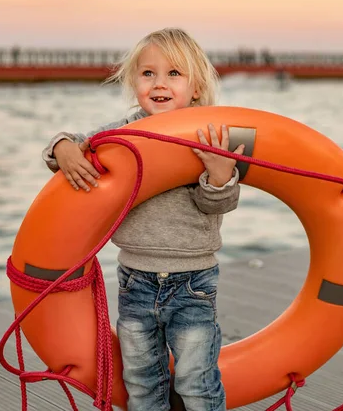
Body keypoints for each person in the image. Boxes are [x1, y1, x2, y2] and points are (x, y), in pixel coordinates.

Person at [42, 27, 245, 411]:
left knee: (196, 381)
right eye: (147, 73)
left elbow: (217, 205)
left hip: (193, 284)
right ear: (133, 81)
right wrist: (63, 147)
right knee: (141, 381)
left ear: (196, 86)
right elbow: (67, 143)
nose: (159, 83)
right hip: (135, 280)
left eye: (174, 73)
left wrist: (220, 176)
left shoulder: (208, 134)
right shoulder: (121, 134)